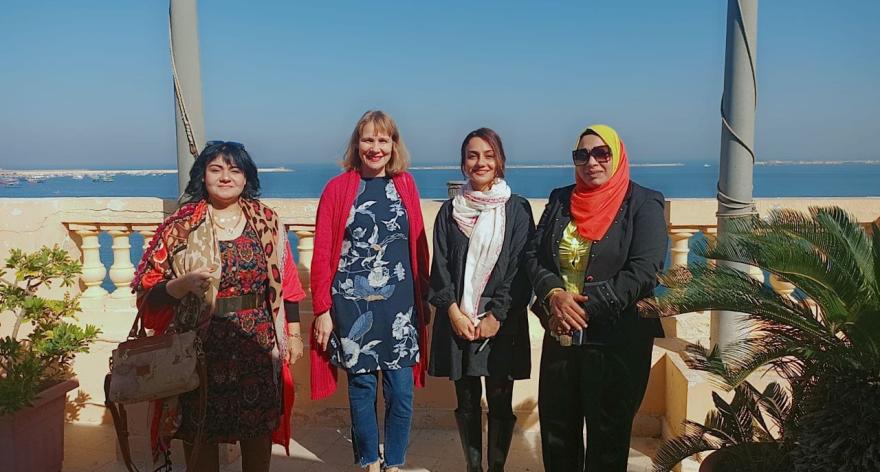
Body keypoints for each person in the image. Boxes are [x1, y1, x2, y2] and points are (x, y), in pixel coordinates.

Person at [131, 141, 306, 472]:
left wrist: (294, 334)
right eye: (216, 169)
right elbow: (146, 294)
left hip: (258, 345)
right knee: (199, 436)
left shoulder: (266, 220)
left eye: (234, 169)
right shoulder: (180, 226)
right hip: (199, 351)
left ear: (245, 178)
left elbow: (288, 284)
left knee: (258, 434)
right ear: (203, 176)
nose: (226, 176)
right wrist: (178, 286)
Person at [525, 125, 667, 471]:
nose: (591, 161)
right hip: (561, 334)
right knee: (558, 433)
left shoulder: (643, 202)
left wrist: (581, 309)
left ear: (617, 157)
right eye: (582, 155)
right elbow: (533, 254)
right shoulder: (561, 198)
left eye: (601, 153)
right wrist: (554, 295)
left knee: (607, 437)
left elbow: (645, 270)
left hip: (617, 340)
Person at [309, 110, 430, 472]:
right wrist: (322, 309)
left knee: (401, 391)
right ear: (357, 144)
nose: (375, 148)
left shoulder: (405, 184)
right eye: (368, 140)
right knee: (361, 389)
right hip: (352, 302)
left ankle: (394, 463)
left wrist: (424, 298)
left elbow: (418, 245)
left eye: (383, 140)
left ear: (394, 145)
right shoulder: (338, 188)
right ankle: (368, 462)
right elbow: (322, 251)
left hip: (400, 307)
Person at [428, 128, 534, 472]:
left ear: (500, 160)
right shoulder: (449, 212)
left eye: (488, 155)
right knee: (467, 401)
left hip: (501, 319)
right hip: (459, 316)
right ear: (463, 163)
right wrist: (453, 312)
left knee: (500, 401)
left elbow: (520, 267)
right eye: (473, 155)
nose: (481, 162)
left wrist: (497, 315)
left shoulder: (517, 209)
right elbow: (440, 266)